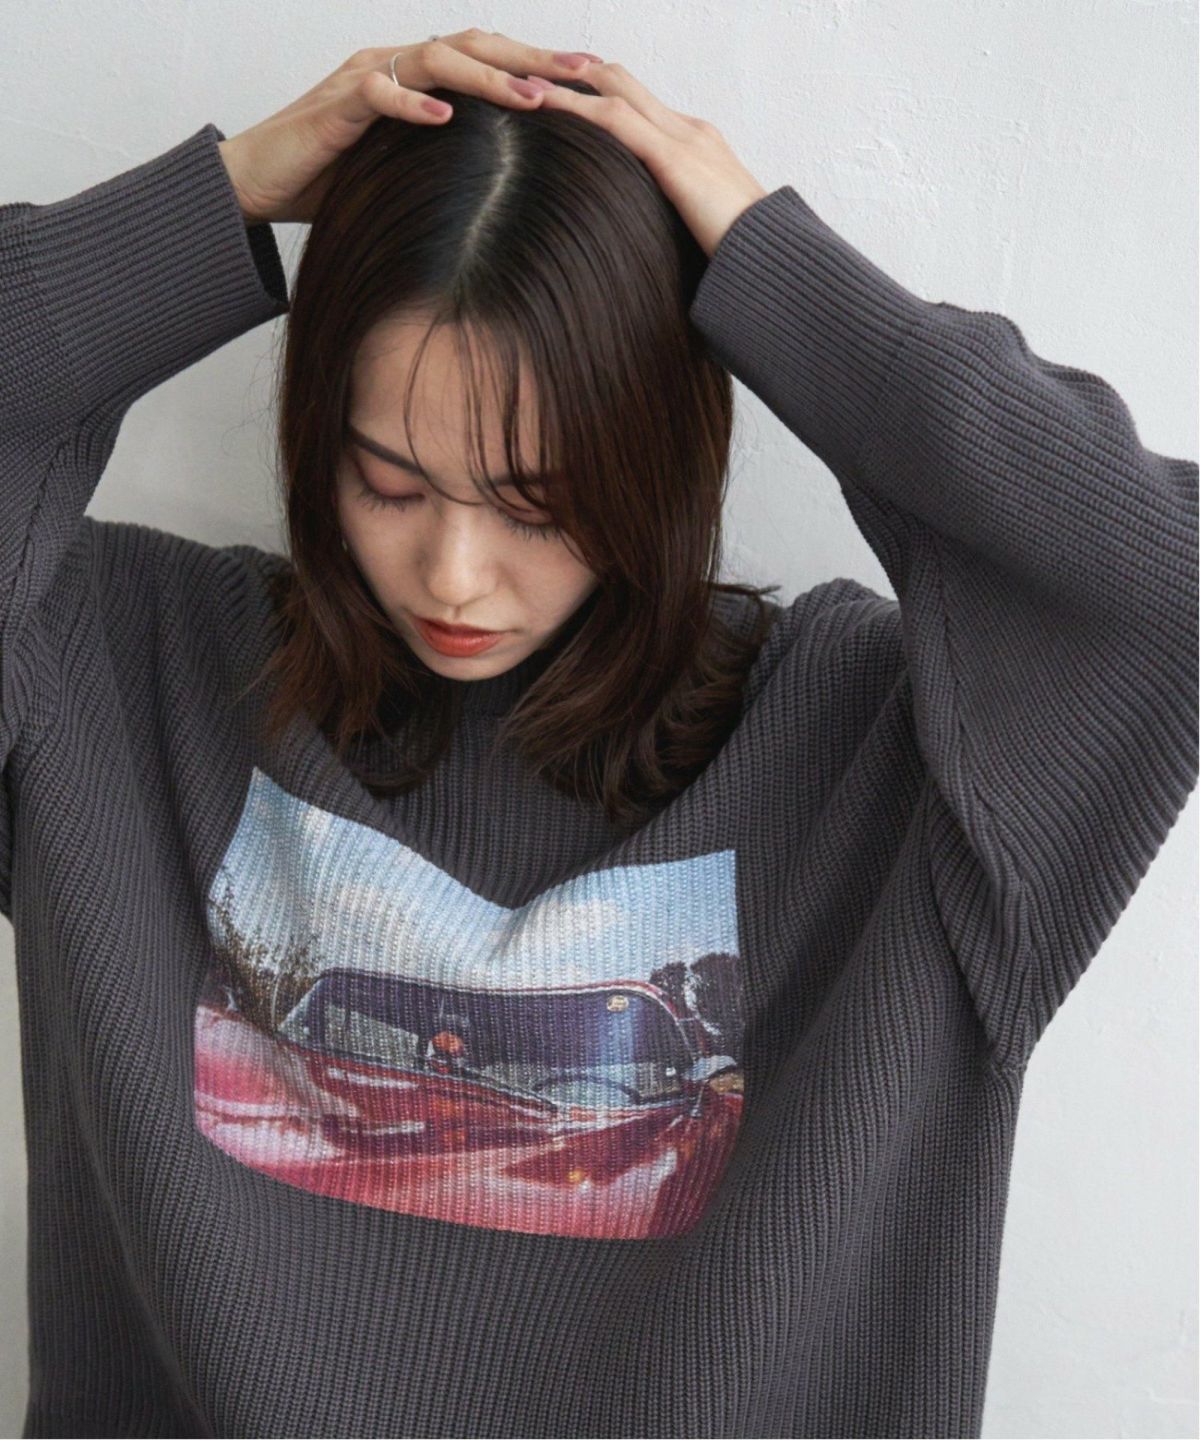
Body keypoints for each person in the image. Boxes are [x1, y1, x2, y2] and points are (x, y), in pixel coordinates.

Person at [1, 31, 1195, 1440]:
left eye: (537, 502)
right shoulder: (110, 673)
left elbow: (1163, 596)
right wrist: (215, 204)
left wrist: (773, 272)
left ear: (656, 461)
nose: (453, 575)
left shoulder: (900, 769)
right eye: (388, 483)